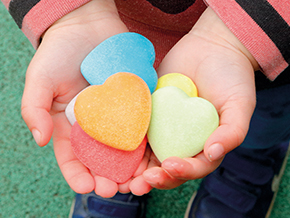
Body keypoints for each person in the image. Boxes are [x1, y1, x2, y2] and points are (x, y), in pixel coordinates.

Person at [2, 0, 290, 217]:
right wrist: (70, 15)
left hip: (261, 45)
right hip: (115, 28)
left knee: (262, 118)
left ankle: (253, 157)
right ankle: (112, 165)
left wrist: (236, 35)